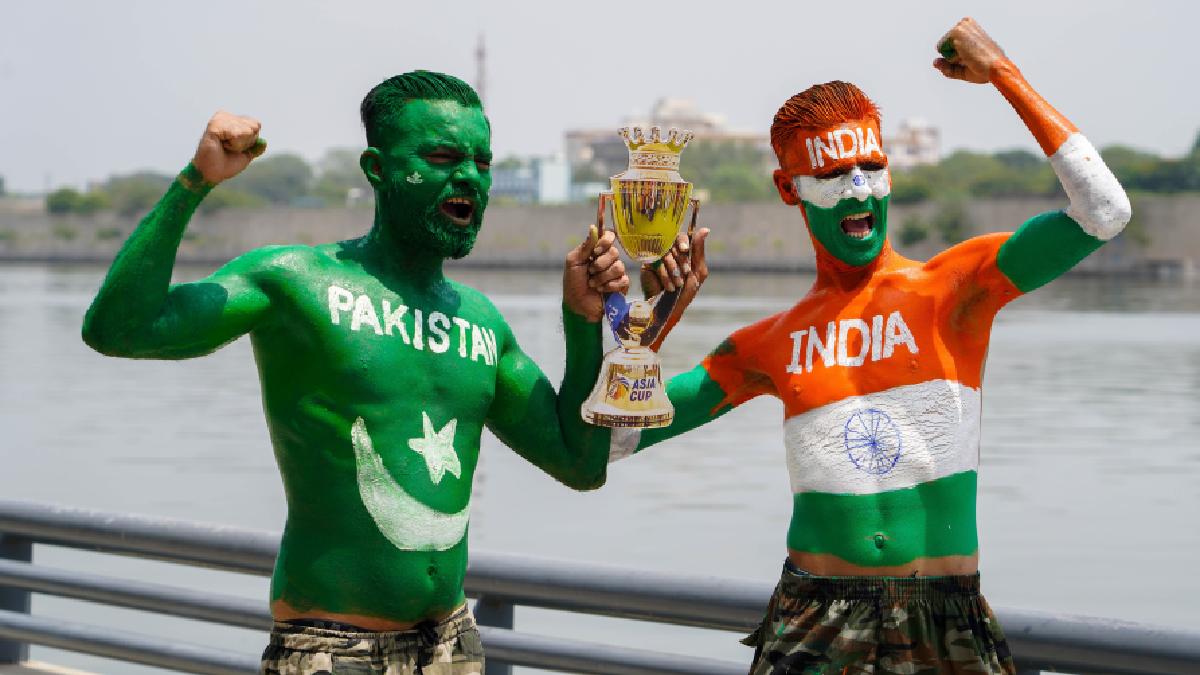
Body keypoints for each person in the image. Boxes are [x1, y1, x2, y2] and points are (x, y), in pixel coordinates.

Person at [618, 17, 1130, 673]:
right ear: (789, 188)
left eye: (871, 165)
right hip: (814, 618)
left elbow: (1105, 211)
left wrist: (1003, 73)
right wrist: (651, 325)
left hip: (944, 616)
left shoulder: (957, 288)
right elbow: (618, 437)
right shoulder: (768, 342)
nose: (858, 187)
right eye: (833, 173)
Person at [82, 70, 630, 674]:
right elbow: (118, 329)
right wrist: (195, 182)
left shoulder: (482, 324)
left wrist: (582, 323)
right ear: (377, 169)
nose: (468, 175)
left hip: (452, 644)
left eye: (481, 161)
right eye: (443, 156)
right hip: (331, 647)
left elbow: (580, 464)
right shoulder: (295, 282)